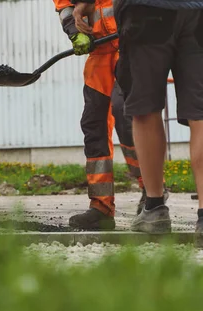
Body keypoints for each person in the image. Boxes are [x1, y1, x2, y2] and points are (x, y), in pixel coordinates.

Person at [73, 0, 203, 239]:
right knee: (201, 114)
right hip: (196, 11)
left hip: (146, 12)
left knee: (144, 109)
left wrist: (83, 4)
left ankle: (154, 208)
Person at [53, 0, 163, 231]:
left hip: (130, 46)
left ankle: (151, 190)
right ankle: (101, 208)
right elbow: (64, 6)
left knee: (127, 118)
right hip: (99, 53)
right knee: (93, 125)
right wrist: (75, 32)